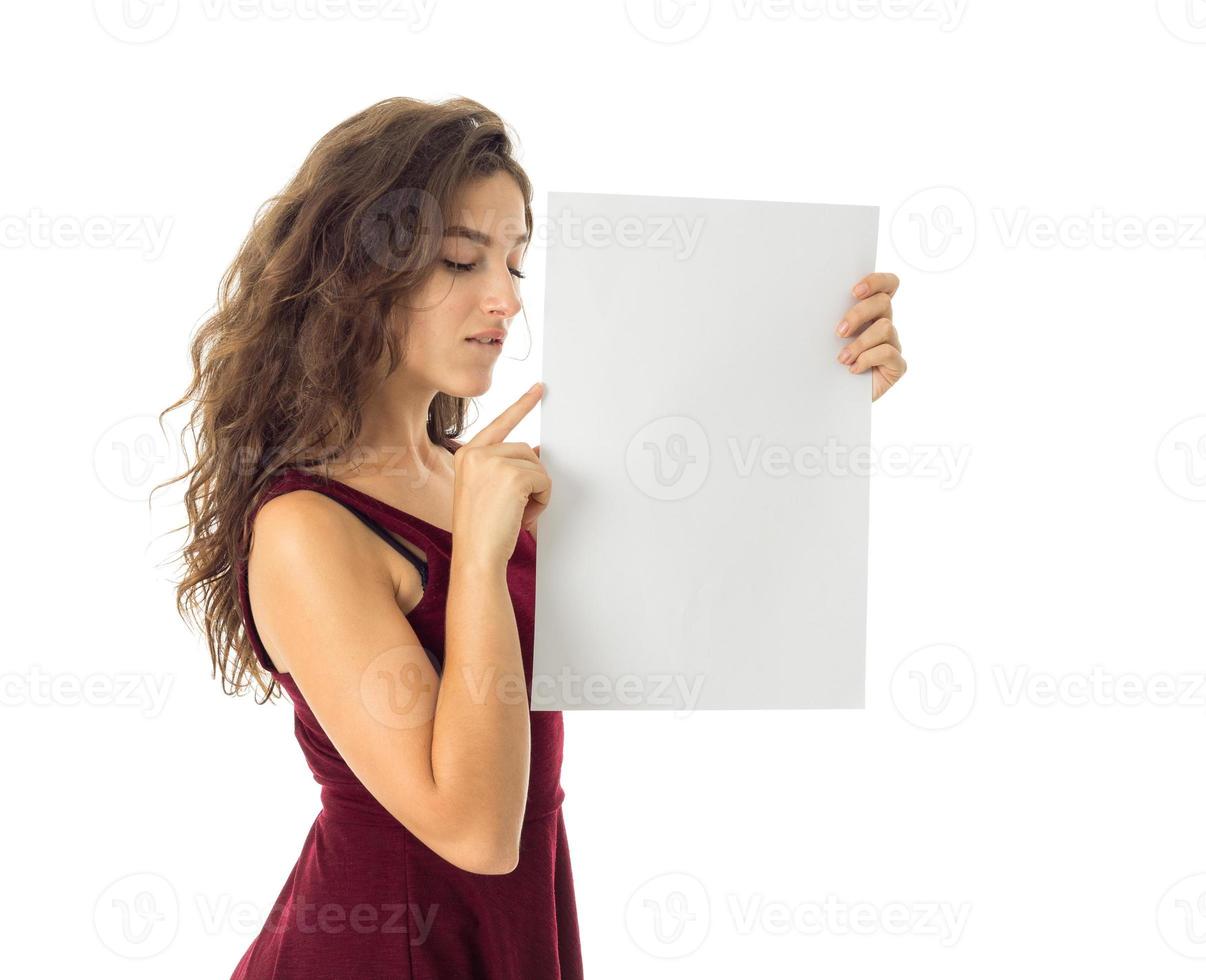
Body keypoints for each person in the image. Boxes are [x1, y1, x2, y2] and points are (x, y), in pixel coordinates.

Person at [161, 95, 906, 979]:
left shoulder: (473, 478)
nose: (505, 299)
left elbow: (699, 566)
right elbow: (475, 828)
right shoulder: (305, 528)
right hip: (379, 952)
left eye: (515, 262)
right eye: (461, 260)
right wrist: (478, 556)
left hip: (514, 930)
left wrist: (827, 392)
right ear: (361, 271)